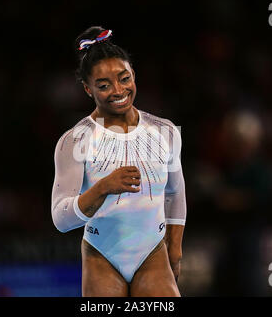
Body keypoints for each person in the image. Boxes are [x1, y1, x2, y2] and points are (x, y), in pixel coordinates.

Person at [51, 26, 186, 297]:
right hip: (102, 255)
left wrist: (175, 248)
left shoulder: (165, 131)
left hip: (152, 252)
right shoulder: (76, 140)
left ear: (133, 75)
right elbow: (60, 218)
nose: (117, 90)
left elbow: (174, 192)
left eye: (124, 79)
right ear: (88, 89)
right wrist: (102, 188)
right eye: (103, 85)